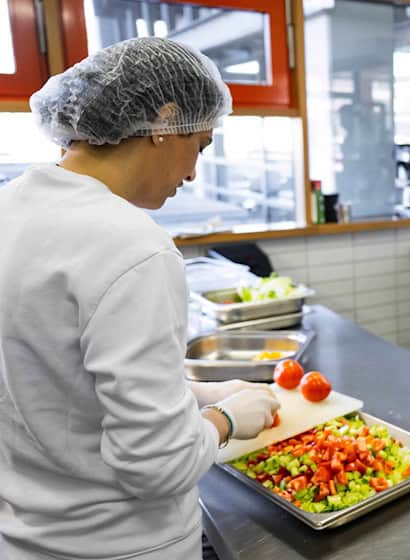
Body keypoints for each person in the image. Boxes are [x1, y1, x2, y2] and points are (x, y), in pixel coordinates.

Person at [0, 37, 281, 559]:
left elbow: (55, 381)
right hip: (120, 543)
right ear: (164, 120)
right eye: (198, 146)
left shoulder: (10, 209)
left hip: (24, 537)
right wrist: (228, 419)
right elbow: (159, 465)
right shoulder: (134, 247)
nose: (193, 173)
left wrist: (198, 395)